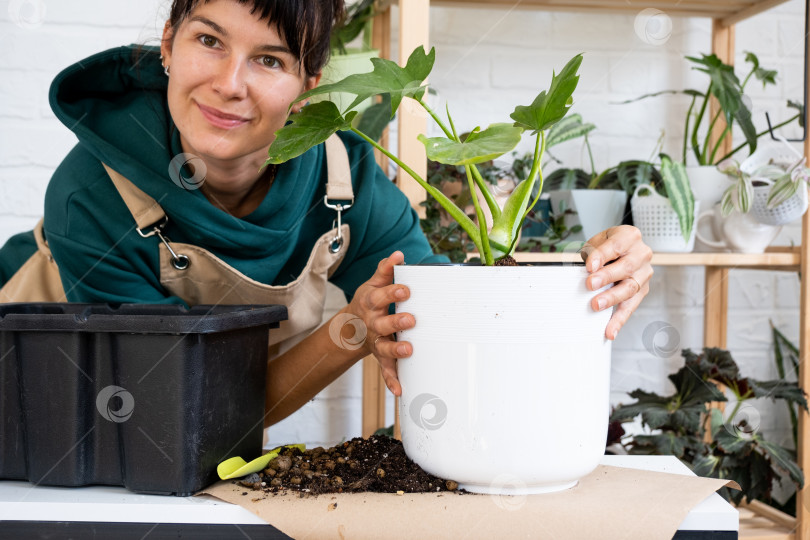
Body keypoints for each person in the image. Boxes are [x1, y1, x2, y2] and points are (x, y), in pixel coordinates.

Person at [0, 0, 653, 427]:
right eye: (209, 40)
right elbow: (179, 414)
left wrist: (591, 271)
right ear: (168, 44)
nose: (231, 83)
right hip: (48, 412)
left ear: (309, 86)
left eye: (269, 59)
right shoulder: (92, 191)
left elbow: (440, 307)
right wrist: (349, 331)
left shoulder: (347, 178)